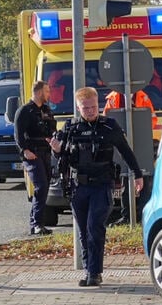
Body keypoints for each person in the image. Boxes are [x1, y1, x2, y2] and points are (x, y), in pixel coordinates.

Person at [51, 87, 144, 287]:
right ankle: (89, 270)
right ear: (78, 107)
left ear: (98, 105)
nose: (91, 111)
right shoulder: (70, 128)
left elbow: (126, 151)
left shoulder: (109, 126)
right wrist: (57, 151)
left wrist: (138, 174)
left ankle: (95, 272)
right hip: (78, 186)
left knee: (95, 227)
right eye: (86, 108)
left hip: (102, 185)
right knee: (84, 230)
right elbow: (62, 158)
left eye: (94, 107)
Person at [13, 81, 56, 235]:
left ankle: (37, 223)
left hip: (46, 153)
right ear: (39, 93)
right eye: (47, 91)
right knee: (42, 185)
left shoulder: (46, 110)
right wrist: (25, 151)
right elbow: (18, 134)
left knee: (45, 187)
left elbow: (52, 129)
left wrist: (52, 138)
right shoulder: (25, 111)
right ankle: (37, 223)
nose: (49, 94)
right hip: (32, 154)